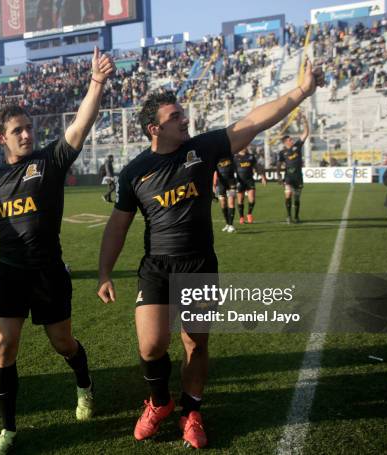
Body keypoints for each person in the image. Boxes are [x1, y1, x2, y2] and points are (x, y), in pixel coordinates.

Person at [97, 61, 324, 449]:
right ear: (155, 128)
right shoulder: (134, 172)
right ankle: (159, 403)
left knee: (194, 344)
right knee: (151, 346)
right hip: (158, 267)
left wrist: (300, 92)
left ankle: (191, 410)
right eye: (176, 116)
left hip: (199, 265)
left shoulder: (201, 149)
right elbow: (118, 224)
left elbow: (252, 122)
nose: (185, 120)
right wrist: (104, 272)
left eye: (182, 113)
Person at [0, 47, 114, 455]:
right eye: (19, 130)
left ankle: (84, 385)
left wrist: (96, 82)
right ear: (2, 138)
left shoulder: (49, 162)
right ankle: (8, 430)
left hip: (48, 273)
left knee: (62, 343)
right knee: (4, 347)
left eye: (29, 128)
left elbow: (80, 127)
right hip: (10, 274)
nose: (27, 134)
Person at [277, 112, 309, 224]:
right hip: (288, 176)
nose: (292, 140)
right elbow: (279, 165)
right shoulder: (282, 153)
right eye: (290, 140)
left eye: (291, 139)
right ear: (285, 142)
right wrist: (279, 176)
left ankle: (296, 216)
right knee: (288, 194)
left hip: (298, 176)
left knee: (297, 198)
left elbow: (305, 133)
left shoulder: (297, 146)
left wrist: (305, 121)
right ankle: (288, 216)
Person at [235, 147, 267, 224]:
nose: (245, 148)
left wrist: (262, 177)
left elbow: (257, 167)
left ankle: (249, 214)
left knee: (252, 199)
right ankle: (241, 217)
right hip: (240, 181)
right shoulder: (235, 158)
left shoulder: (251, 156)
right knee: (240, 200)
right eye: (244, 146)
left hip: (249, 180)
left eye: (246, 146)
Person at [213, 156, 237, 233]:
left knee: (231, 202)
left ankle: (231, 225)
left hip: (231, 182)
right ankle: (227, 223)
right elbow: (214, 172)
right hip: (221, 184)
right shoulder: (215, 158)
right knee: (223, 203)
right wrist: (214, 185)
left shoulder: (231, 156)